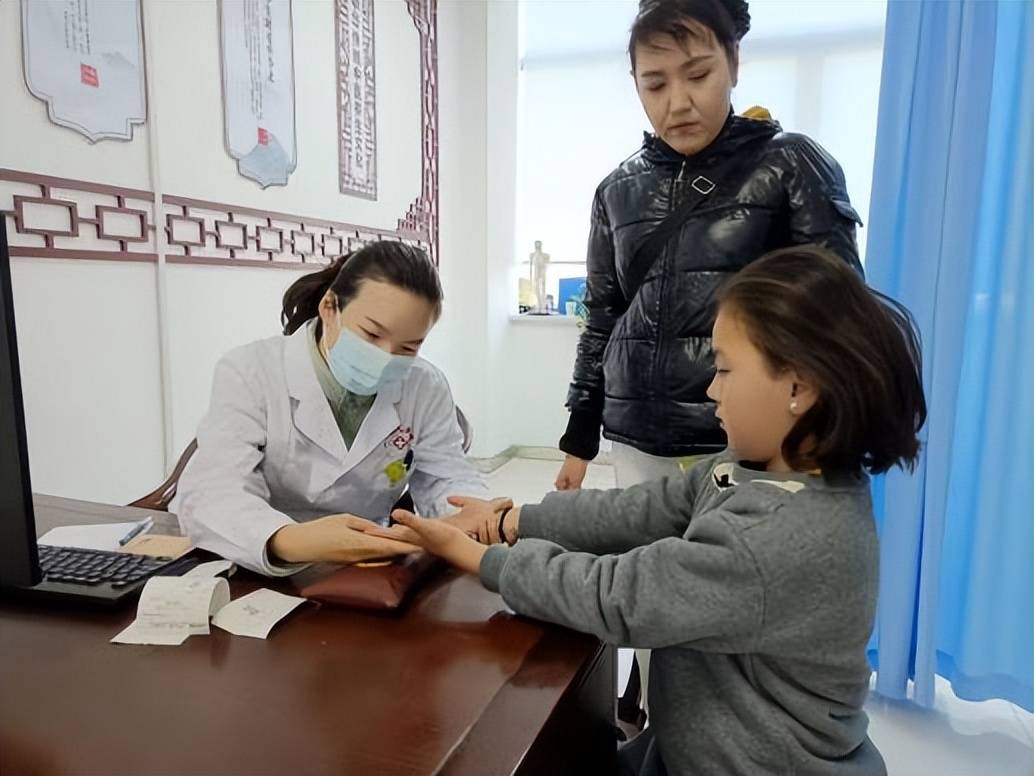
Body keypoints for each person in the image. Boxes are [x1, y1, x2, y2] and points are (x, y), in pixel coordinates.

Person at [365, 246, 926, 776]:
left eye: (725, 369)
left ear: (798, 387)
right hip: (691, 743)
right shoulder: (752, 467)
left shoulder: (776, 537)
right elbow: (642, 511)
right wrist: (514, 521)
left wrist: (480, 558)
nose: (711, 390)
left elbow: (618, 596)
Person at [175, 242, 490, 576]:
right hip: (261, 557)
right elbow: (215, 492)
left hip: (368, 562)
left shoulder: (424, 385)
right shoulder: (252, 370)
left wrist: (473, 515)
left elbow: (448, 475)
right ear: (329, 307)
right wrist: (291, 541)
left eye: (408, 347)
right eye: (371, 335)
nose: (386, 358)